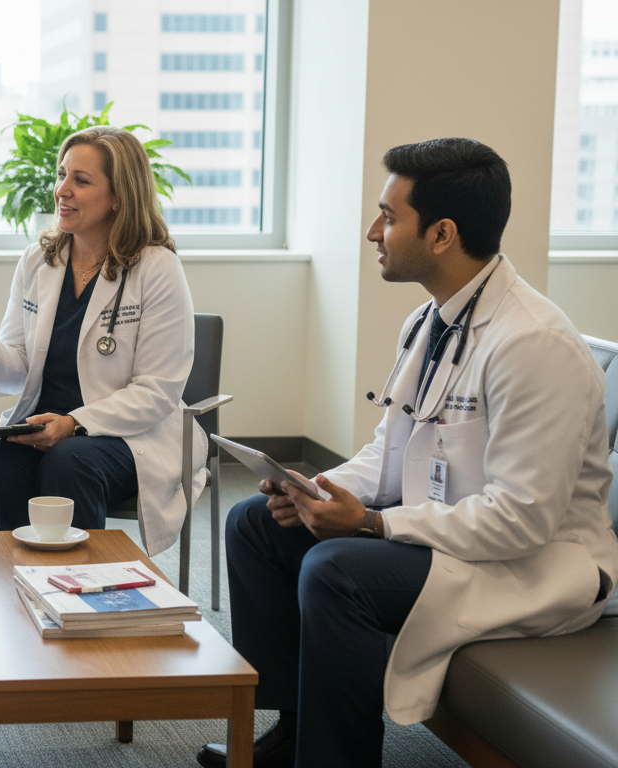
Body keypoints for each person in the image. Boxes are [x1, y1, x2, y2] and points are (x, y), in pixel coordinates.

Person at [198, 138, 618, 768]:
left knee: (336, 569)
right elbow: (391, 449)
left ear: (442, 233)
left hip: (539, 568)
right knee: (256, 523)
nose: (374, 231)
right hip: (454, 536)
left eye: (389, 217)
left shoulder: (533, 345)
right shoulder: (431, 320)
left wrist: (372, 522)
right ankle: (294, 731)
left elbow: (524, 520)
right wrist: (312, 488)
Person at [0, 125, 206, 557]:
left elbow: (158, 391)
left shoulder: (155, 268)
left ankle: (82, 593)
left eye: (81, 180)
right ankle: (16, 586)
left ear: (118, 197)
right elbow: (19, 370)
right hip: (44, 428)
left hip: (128, 436)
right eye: (61, 175)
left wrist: (75, 423)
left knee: (70, 463)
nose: (61, 190)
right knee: (1, 466)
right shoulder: (39, 260)